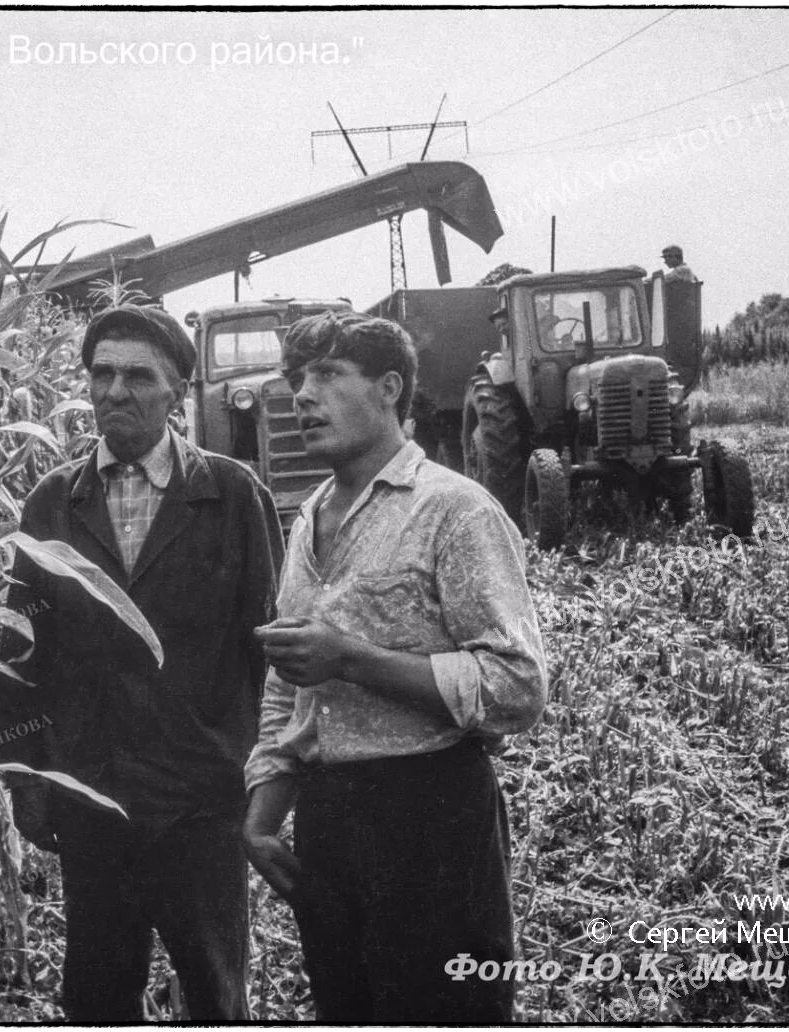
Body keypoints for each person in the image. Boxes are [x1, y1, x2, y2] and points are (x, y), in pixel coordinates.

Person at [241, 310, 547, 1022]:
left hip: (433, 815)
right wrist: (261, 819)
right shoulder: (306, 520)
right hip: (328, 821)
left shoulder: (456, 511)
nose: (302, 396)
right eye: (296, 379)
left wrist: (351, 658)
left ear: (389, 388)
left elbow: (517, 686)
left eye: (326, 375)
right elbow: (289, 686)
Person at [0, 304, 284, 1021]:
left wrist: (266, 774)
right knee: (96, 991)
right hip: (92, 794)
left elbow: (267, 647)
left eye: (138, 376)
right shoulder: (53, 503)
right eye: (102, 374)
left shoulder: (232, 495)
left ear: (176, 391)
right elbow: (21, 652)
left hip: (201, 797)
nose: (115, 391)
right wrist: (25, 778)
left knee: (215, 991)